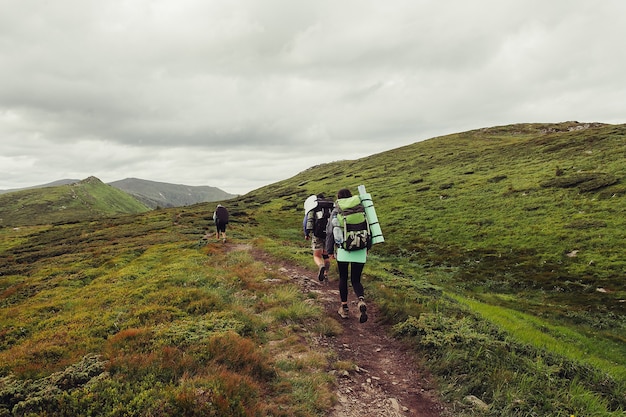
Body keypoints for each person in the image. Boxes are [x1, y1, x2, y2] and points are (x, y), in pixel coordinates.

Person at [325, 188, 368, 323]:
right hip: (361, 248)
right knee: (356, 279)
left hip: (344, 249)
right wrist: (368, 247)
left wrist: (330, 251)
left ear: (339, 197)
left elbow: (331, 232)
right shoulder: (361, 208)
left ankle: (344, 308)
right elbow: (369, 227)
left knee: (343, 278)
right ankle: (361, 300)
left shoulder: (337, 210)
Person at [304, 194, 332, 281]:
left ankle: (321, 266)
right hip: (328, 235)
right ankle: (326, 274)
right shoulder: (330, 206)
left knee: (317, 256)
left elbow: (309, 220)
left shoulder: (314, 206)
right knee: (326, 256)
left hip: (317, 234)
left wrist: (307, 233)